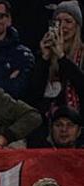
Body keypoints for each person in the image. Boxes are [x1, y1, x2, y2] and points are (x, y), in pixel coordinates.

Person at [27, 1, 84, 135]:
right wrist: (45, 59)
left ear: (77, 26)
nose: (63, 26)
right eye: (58, 21)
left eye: (68, 21)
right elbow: (32, 96)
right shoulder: (43, 55)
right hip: (46, 127)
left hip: (78, 126)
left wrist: (61, 57)